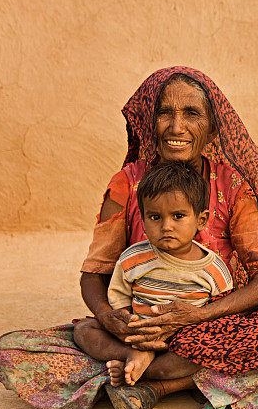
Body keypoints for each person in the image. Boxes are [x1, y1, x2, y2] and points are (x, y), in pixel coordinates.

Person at [0, 66, 258, 409]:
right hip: (137, 328)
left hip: (210, 328)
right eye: (165, 112)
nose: (176, 126)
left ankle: (148, 383)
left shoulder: (232, 186)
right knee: (9, 352)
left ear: (212, 127)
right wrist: (110, 316)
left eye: (191, 114)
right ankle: (173, 374)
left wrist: (196, 316)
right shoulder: (128, 183)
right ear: (149, 122)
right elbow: (94, 274)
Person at [74, 161, 233, 394]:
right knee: (83, 330)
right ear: (144, 220)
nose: (166, 226)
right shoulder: (133, 258)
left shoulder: (213, 268)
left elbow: (219, 314)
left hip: (182, 342)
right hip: (136, 336)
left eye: (178, 216)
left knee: (206, 353)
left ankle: (141, 370)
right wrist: (129, 327)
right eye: (155, 217)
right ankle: (132, 357)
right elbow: (119, 296)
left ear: (201, 220)